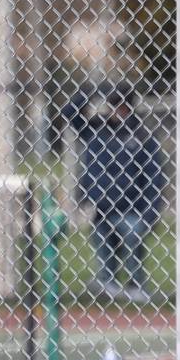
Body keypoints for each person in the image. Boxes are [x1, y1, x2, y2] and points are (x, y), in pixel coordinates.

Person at [62, 82, 165, 303]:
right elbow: (69, 114)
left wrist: (149, 213)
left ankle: (136, 286)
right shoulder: (97, 130)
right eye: (112, 104)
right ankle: (108, 285)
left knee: (131, 237)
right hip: (103, 208)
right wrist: (89, 91)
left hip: (132, 208)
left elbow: (154, 177)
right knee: (103, 243)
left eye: (121, 105)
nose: (116, 110)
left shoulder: (141, 137)